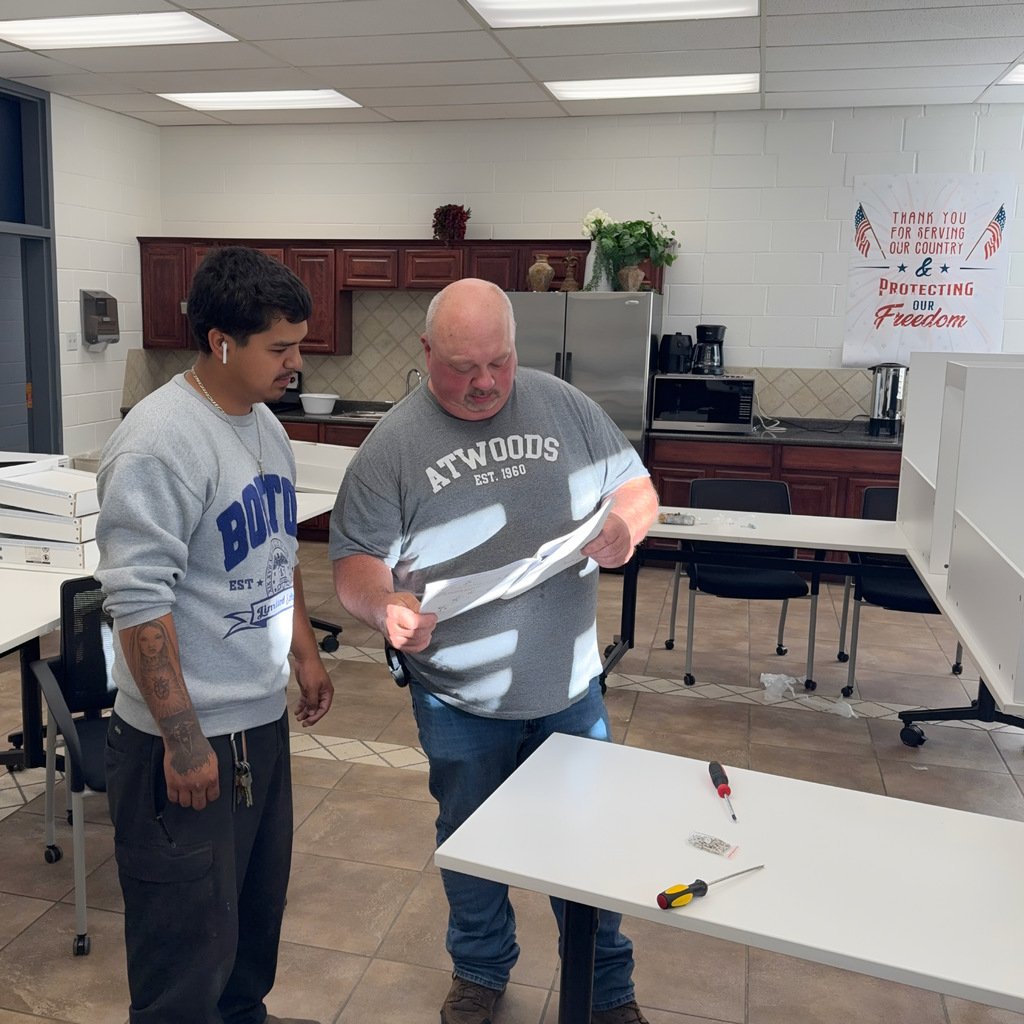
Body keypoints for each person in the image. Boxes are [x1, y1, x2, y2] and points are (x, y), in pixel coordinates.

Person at [329, 278, 659, 1024]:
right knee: (472, 841)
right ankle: (480, 973)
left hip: (571, 689)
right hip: (459, 698)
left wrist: (626, 529)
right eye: (461, 367)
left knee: (587, 845)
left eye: (498, 363)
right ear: (425, 354)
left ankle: (607, 990)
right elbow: (352, 563)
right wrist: (385, 605)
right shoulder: (393, 446)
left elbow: (638, 488)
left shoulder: (564, 404)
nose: (483, 384)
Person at [96, 246, 335, 1024]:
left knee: (247, 938)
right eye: (281, 347)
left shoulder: (263, 423)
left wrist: (304, 653)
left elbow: (276, 548)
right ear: (220, 342)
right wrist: (184, 738)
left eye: (298, 343)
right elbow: (138, 602)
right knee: (183, 958)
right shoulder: (160, 441)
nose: (296, 362)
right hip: (187, 742)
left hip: (258, 727)